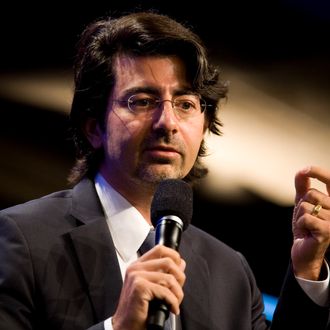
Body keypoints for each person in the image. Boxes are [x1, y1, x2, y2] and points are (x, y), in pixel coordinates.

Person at [0, 10, 330, 330]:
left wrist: (307, 267)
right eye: (142, 101)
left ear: (203, 127)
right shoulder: (21, 238)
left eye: (185, 104)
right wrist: (118, 328)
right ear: (93, 127)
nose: (167, 122)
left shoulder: (231, 272)